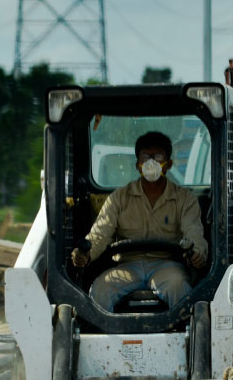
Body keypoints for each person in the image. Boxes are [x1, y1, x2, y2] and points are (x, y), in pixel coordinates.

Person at [71, 131, 208, 312]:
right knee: (100, 289)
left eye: (158, 156)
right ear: (138, 165)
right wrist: (85, 254)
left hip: (167, 266)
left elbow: (194, 233)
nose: (151, 162)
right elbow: (100, 233)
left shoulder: (185, 199)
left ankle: (184, 336)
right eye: (146, 156)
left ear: (169, 164)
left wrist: (197, 254)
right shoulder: (118, 198)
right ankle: (105, 337)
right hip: (127, 267)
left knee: (179, 287)